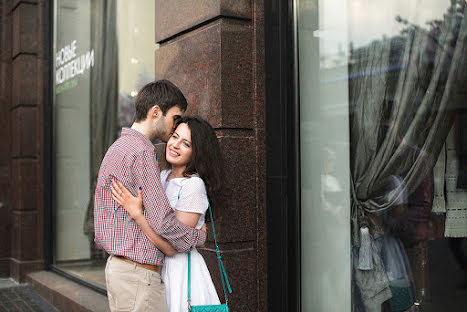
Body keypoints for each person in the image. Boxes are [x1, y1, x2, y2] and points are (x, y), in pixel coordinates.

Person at [94, 81, 207, 312]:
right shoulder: (142, 151)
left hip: (119, 269)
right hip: (136, 274)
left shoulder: (117, 147)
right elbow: (163, 221)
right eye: (175, 118)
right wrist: (198, 237)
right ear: (156, 112)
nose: (175, 127)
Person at [111, 116, 224, 312]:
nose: (175, 145)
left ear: (198, 152)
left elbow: (174, 244)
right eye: (175, 137)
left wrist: (138, 215)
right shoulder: (162, 177)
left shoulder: (193, 185)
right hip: (155, 267)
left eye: (186, 143)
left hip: (180, 271)